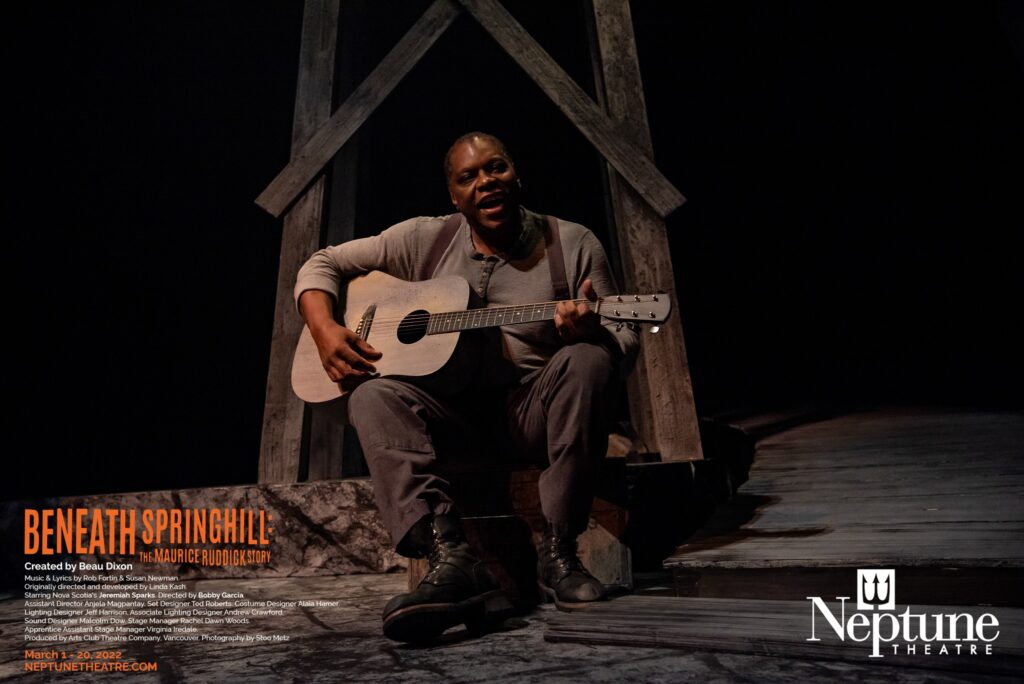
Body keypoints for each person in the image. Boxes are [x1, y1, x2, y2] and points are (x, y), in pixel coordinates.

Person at [294, 132, 638, 642]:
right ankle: (450, 556)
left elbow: (625, 333)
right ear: (453, 196)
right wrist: (325, 331)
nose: (485, 182)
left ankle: (560, 548)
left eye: (495, 168)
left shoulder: (573, 243)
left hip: (533, 414)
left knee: (588, 361)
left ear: (516, 175)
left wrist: (595, 335)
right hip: (449, 416)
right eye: (468, 177)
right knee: (372, 394)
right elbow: (320, 264)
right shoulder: (423, 240)